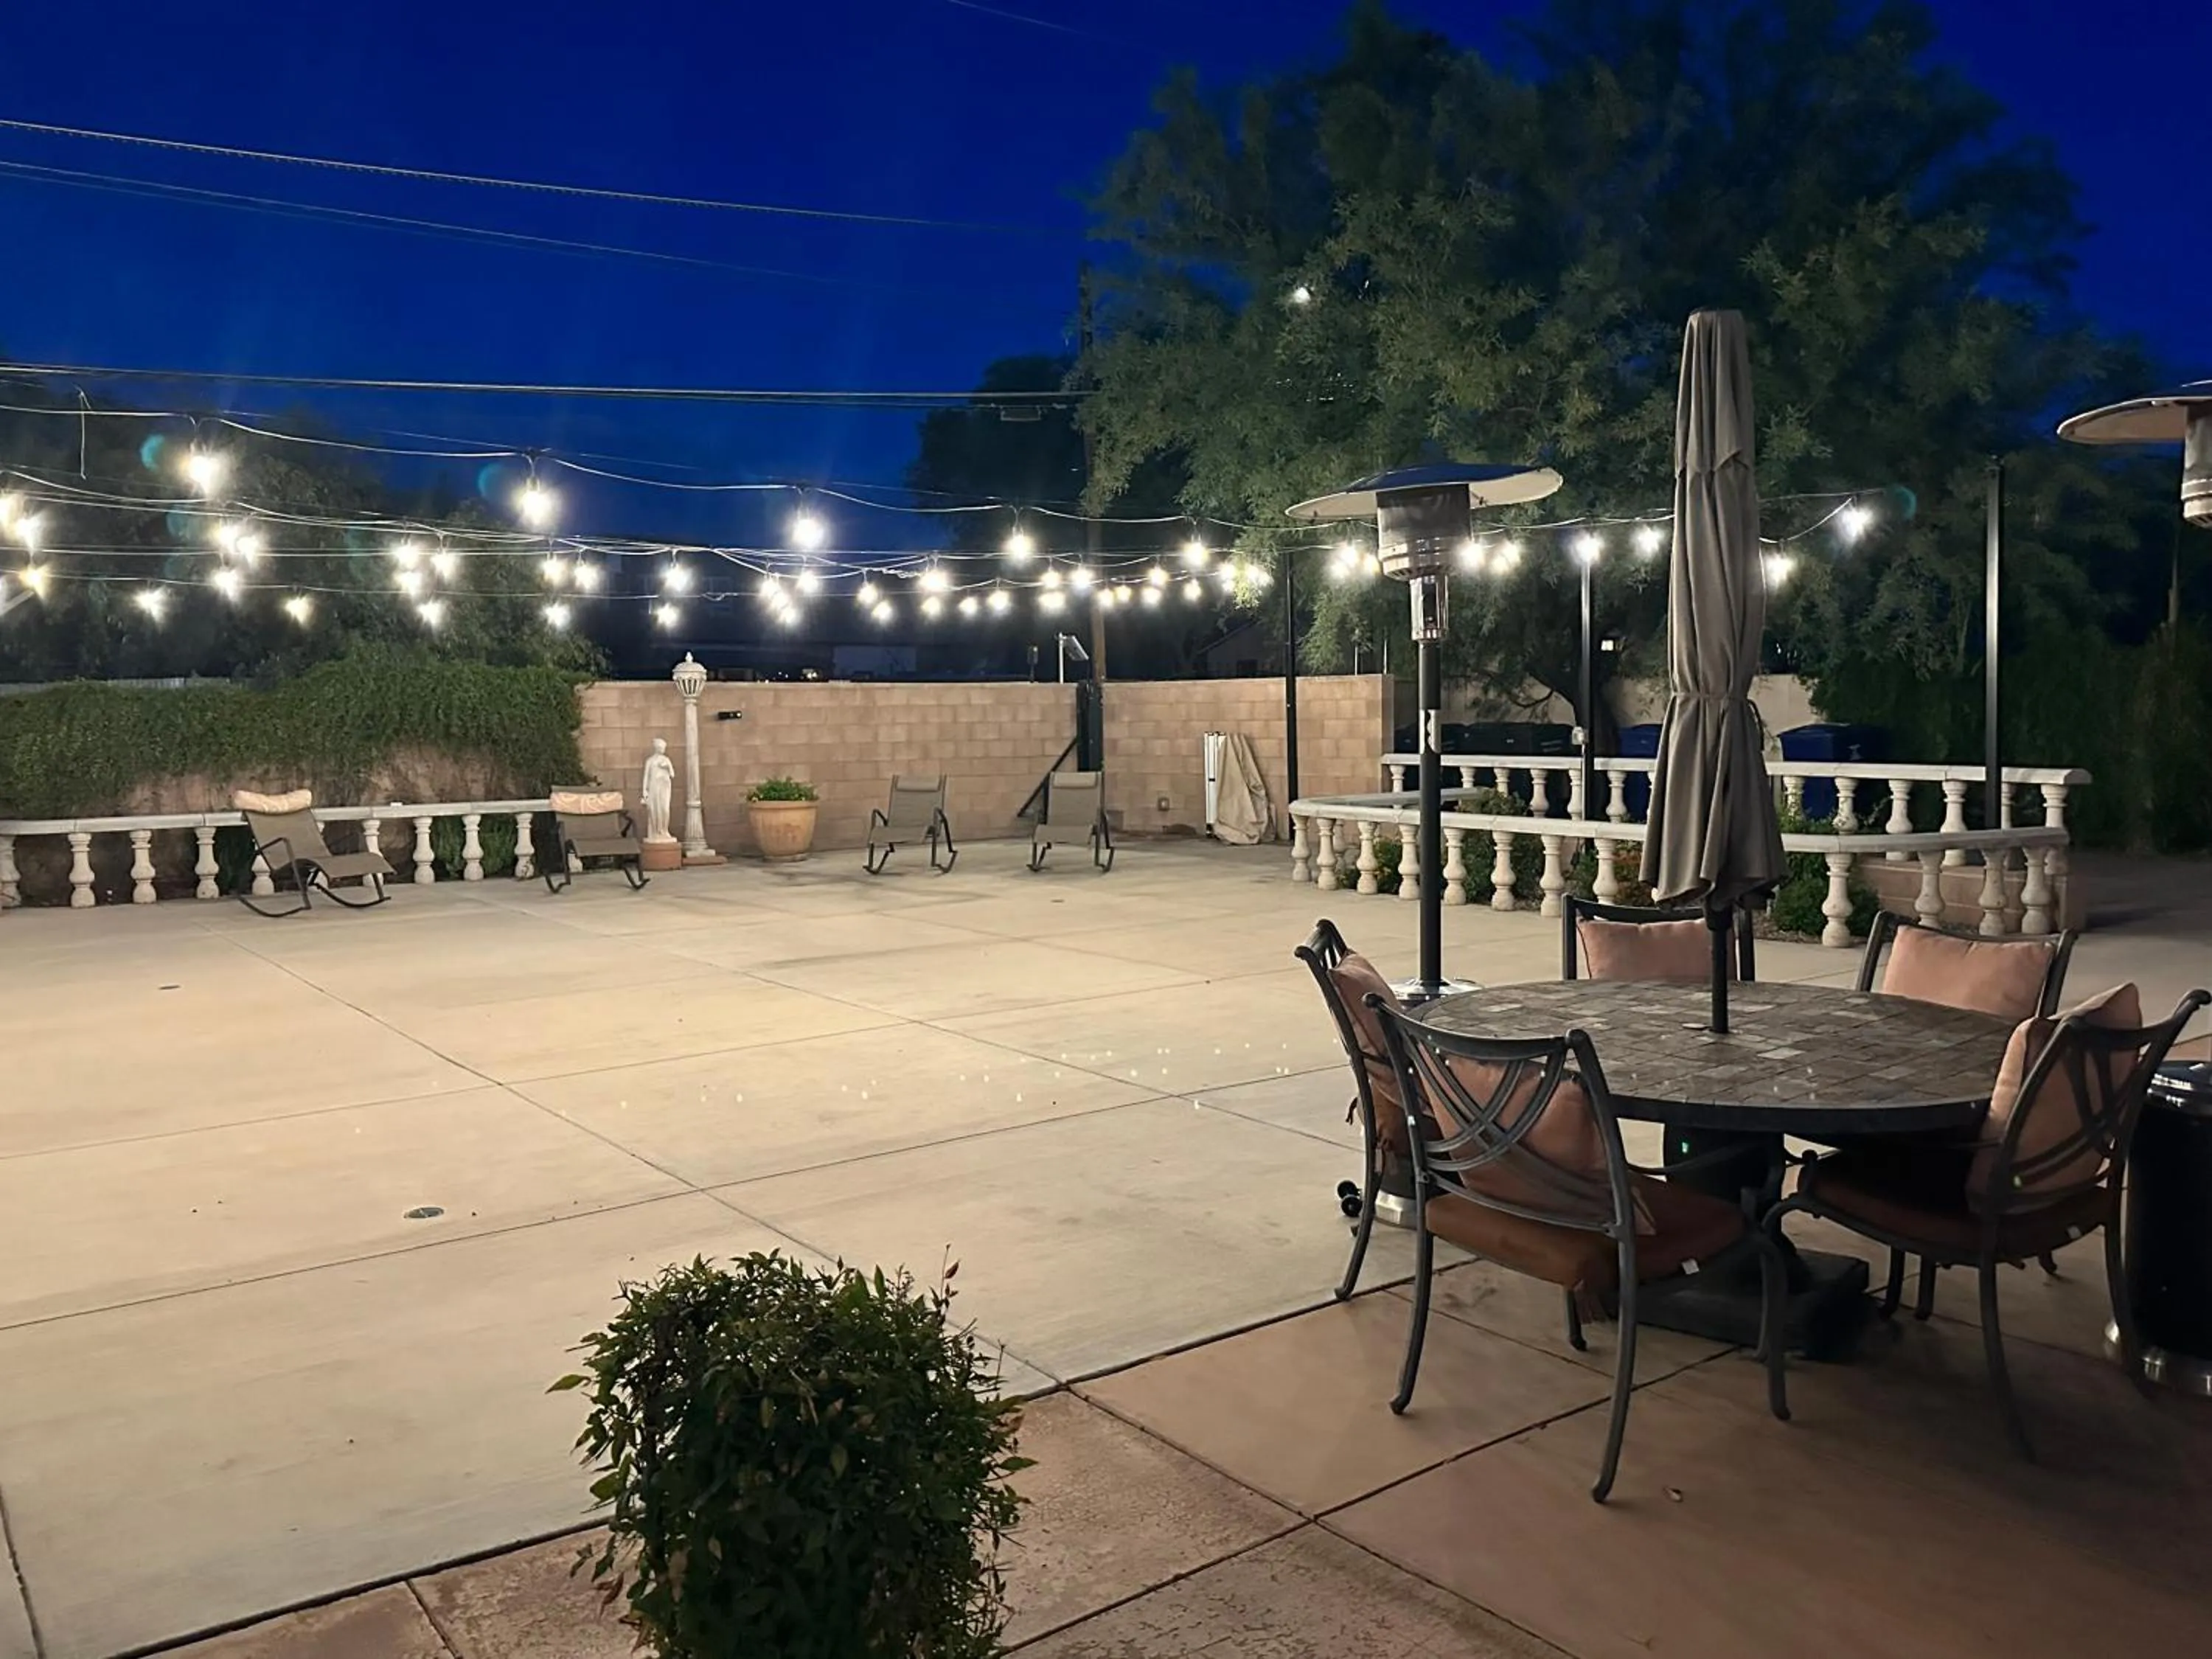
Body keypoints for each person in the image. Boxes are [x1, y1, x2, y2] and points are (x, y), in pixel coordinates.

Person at [641, 737, 676, 843]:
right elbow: (646, 776)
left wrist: (667, 767)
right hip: (654, 787)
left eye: (664, 748)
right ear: (657, 748)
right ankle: (656, 832)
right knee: (655, 810)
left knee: (665, 809)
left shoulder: (666, 760)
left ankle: (664, 830)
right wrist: (644, 791)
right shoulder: (650, 761)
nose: (663, 749)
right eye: (661, 747)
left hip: (665, 787)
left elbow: (672, 774)